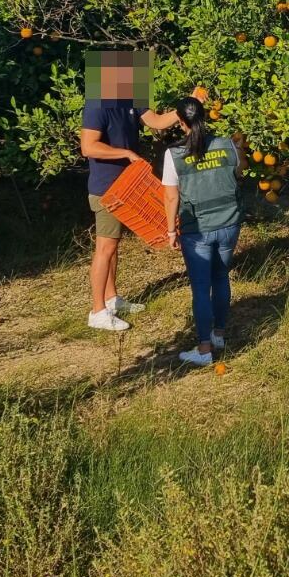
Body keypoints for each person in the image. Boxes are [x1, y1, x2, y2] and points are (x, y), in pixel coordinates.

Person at [80, 54, 183, 331]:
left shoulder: (131, 100)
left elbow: (157, 121)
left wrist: (187, 107)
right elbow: (88, 147)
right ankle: (97, 311)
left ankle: (112, 299)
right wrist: (126, 153)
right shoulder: (97, 104)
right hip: (107, 190)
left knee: (114, 246)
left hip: (127, 186)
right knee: (105, 247)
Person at [162, 96, 244, 367]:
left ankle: (205, 349)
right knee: (221, 278)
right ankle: (218, 334)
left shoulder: (174, 154)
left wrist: (171, 230)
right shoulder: (227, 144)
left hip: (197, 230)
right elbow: (239, 172)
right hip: (229, 224)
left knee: (200, 288)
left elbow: (172, 198)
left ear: (180, 122)